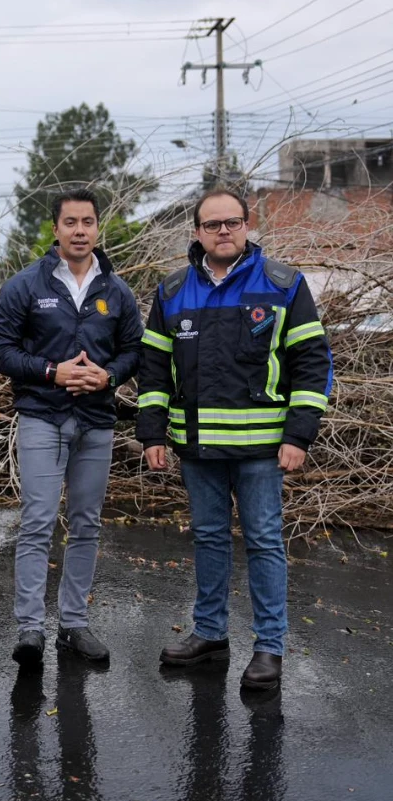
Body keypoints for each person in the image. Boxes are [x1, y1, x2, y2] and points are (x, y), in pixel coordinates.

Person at [137, 188, 333, 690]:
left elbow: (312, 364)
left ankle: (269, 647)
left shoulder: (284, 285)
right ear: (197, 232)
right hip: (197, 447)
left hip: (263, 448)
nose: (223, 231)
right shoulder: (173, 289)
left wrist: (300, 434)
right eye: (212, 224)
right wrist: (153, 432)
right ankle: (210, 634)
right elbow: (155, 369)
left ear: (247, 226)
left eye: (233, 222)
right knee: (208, 539)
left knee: (265, 541)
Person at [0, 187, 142, 667]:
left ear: (98, 228)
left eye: (88, 222)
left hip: (97, 422)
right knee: (36, 523)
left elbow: (136, 349)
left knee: (87, 524)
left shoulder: (116, 291)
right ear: (55, 229)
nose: (80, 230)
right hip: (42, 418)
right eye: (70, 222)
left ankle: (73, 625)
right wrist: (52, 371)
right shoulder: (26, 285)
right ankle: (30, 628)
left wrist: (109, 374)